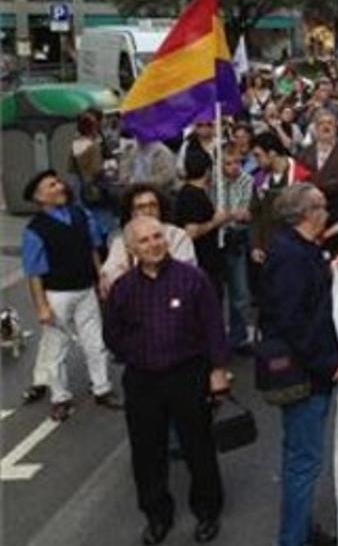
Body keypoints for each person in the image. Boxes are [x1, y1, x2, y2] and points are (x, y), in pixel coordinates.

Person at [103, 216, 229, 545]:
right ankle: (157, 516)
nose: (153, 244)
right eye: (144, 241)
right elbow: (112, 334)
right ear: (131, 248)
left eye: (158, 236)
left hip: (187, 375)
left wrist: (217, 371)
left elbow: (214, 327)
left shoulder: (193, 279)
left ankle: (207, 511)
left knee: (198, 447)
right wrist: (138, 351)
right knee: (147, 452)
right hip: (143, 381)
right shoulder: (123, 288)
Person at [260, 183, 338, 546]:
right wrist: (329, 364)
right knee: (304, 462)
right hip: (306, 374)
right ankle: (293, 538)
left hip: (308, 369)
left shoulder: (300, 249)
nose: (327, 213)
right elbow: (294, 322)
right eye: (322, 208)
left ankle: (300, 527)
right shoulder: (290, 256)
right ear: (306, 214)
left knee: (298, 457)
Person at [20, 170, 120, 420]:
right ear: (39, 196)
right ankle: (60, 397)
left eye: (58, 183)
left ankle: (102, 388)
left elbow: (93, 248)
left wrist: (100, 277)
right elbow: (34, 272)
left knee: (95, 341)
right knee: (57, 348)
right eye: (52, 185)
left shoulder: (80, 214)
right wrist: (41, 306)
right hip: (57, 294)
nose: (60, 187)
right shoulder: (35, 230)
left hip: (86, 288)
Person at [100, 184, 197, 298]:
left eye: (153, 205)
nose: (148, 211)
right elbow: (111, 276)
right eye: (141, 207)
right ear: (132, 213)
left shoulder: (178, 236)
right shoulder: (121, 241)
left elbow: (185, 274)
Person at [175, 150, 231, 299]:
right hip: (201, 261)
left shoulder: (193, 193)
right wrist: (216, 222)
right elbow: (191, 231)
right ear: (208, 170)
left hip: (209, 260)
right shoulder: (191, 195)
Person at [249, 132, 311, 265]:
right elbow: (255, 214)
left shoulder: (302, 177)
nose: (256, 161)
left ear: (271, 153)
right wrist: (256, 245)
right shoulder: (259, 180)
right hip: (267, 251)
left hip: (296, 252)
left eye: (258, 155)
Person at [216, 144, 255, 352]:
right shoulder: (214, 182)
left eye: (237, 162)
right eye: (228, 163)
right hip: (215, 239)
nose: (234, 167)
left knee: (240, 292)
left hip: (236, 237)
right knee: (216, 291)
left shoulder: (246, 180)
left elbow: (245, 213)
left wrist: (227, 215)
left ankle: (238, 337)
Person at [298, 110, 338, 206]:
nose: (326, 126)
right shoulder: (305, 152)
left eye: (330, 123)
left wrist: (333, 184)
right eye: (321, 123)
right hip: (312, 204)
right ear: (316, 128)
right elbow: (300, 177)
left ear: (335, 128)